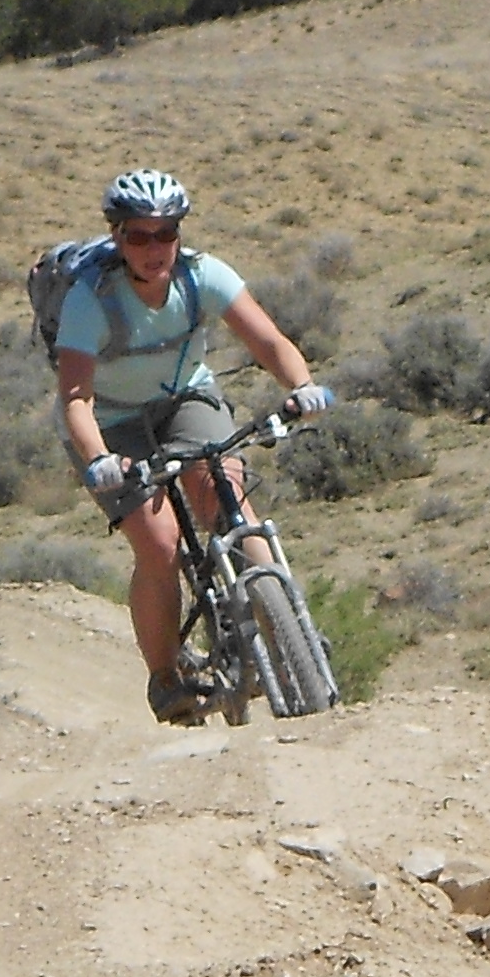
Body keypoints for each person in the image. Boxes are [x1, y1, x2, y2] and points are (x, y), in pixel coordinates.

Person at [51, 168, 322, 722]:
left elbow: (269, 340)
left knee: (226, 499)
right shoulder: (91, 299)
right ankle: (166, 677)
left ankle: (290, 633)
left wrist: (302, 388)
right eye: (139, 235)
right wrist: (100, 460)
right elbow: (76, 396)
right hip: (110, 422)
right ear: (117, 237)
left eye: (166, 233)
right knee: (159, 545)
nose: (155, 248)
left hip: (184, 399)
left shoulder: (204, 276)